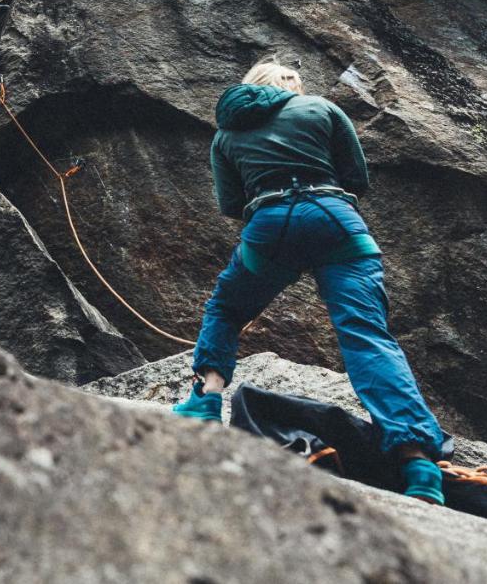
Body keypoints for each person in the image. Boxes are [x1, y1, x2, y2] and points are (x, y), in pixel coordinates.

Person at [172, 59, 448, 506]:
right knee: (367, 336)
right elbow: (356, 176)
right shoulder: (320, 108)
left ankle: (205, 401)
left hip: (270, 224)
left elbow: (229, 203)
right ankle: (417, 462)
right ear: (289, 86)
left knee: (226, 308)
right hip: (335, 218)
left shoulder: (226, 133)